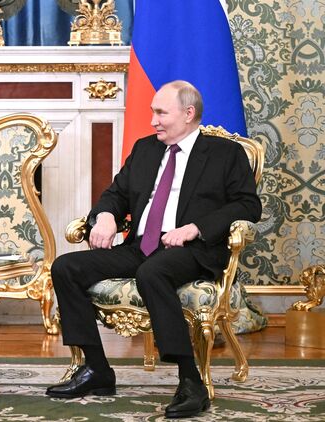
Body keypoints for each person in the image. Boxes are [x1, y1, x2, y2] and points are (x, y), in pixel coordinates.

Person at [46, 81, 261, 418]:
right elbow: (116, 194)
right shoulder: (145, 149)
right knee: (65, 267)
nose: (153, 121)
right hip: (141, 245)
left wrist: (195, 228)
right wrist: (105, 217)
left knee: (153, 272)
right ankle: (97, 369)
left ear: (188, 114)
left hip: (193, 249)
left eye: (161, 113)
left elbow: (247, 205)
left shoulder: (224, 153)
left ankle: (191, 382)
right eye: (152, 112)